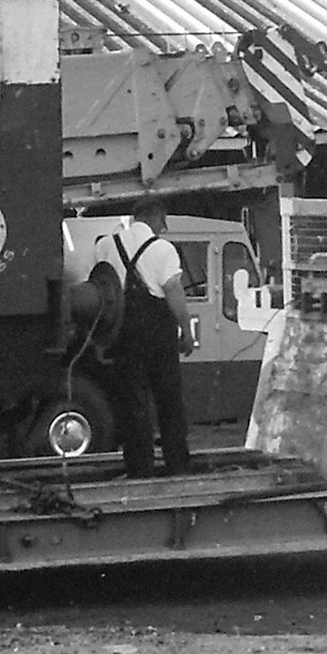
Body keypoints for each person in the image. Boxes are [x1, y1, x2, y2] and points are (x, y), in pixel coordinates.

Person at [94, 198, 195, 477]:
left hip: (121, 332)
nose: (164, 227)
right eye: (164, 221)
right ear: (156, 218)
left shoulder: (106, 245)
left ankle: (139, 469)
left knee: (133, 403)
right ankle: (177, 464)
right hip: (157, 332)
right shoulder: (163, 249)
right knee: (168, 400)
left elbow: (102, 288)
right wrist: (186, 330)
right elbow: (173, 290)